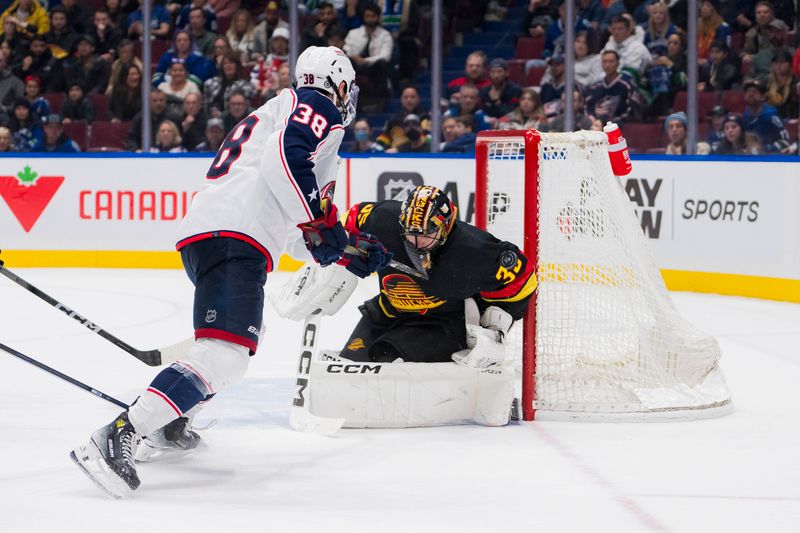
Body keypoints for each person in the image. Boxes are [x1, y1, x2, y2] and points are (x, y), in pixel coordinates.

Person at [70, 45, 388, 498]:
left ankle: (169, 421)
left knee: (231, 348)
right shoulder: (316, 103)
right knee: (225, 356)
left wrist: (342, 249)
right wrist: (326, 226)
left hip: (219, 234)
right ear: (336, 81)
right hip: (234, 237)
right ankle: (119, 433)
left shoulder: (279, 110)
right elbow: (288, 162)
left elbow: (292, 212)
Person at [337, 185, 535, 367]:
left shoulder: (472, 249)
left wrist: (494, 325)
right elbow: (344, 223)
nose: (416, 243)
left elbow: (523, 276)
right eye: (410, 234)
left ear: (446, 227)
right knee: (348, 365)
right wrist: (343, 253)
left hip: (441, 324)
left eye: (426, 236)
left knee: (386, 358)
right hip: (387, 313)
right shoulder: (382, 220)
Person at [343, 3, 393, 105]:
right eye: (367, 16)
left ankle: (380, 101)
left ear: (378, 17)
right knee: (347, 61)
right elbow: (346, 49)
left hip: (373, 69)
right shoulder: (353, 33)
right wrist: (355, 57)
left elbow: (385, 56)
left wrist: (365, 61)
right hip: (356, 67)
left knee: (381, 64)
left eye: (373, 16)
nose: (370, 19)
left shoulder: (385, 35)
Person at [585, 50, 639, 124]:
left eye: (611, 61)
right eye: (605, 62)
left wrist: (609, 123)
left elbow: (632, 112)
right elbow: (588, 107)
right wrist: (592, 120)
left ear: (618, 63)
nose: (607, 65)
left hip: (619, 126)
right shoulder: (595, 87)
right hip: (596, 126)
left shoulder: (627, 85)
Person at [742, 78, 792, 153]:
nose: (750, 94)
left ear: (763, 97)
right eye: (748, 91)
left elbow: (785, 142)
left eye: (755, 92)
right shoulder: (745, 115)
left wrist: (766, 149)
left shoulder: (771, 116)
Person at [203, 51, 254, 117]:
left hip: (235, 119)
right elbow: (207, 104)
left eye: (231, 63)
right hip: (212, 117)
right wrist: (213, 111)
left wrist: (222, 115)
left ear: (237, 65)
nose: (228, 66)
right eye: (225, 63)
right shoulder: (211, 83)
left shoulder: (245, 85)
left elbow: (243, 107)